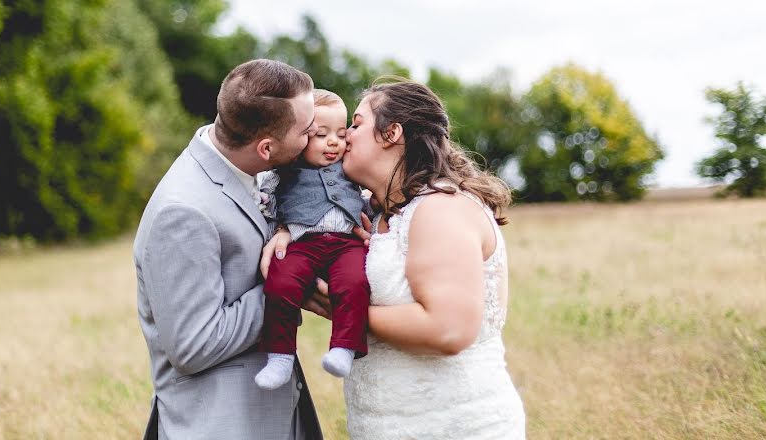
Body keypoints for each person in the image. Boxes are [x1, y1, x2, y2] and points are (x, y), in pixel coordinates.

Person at [132, 59, 325, 440]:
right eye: (306, 130)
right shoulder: (182, 211)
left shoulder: (248, 168)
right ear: (266, 147)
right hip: (223, 425)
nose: (315, 134)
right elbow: (193, 345)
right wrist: (288, 286)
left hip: (268, 414)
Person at [340, 78, 526, 439]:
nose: (345, 134)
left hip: (454, 426)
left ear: (391, 133)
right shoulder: (376, 217)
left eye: (357, 123)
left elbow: (448, 329)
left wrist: (341, 310)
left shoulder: (441, 209)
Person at [254, 89, 371, 390]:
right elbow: (265, 201)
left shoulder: (351, 168)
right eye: (321, 134)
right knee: (280, 284)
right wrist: (279, 227)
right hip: (302, 243)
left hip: (347, 244)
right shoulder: (285, 171)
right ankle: (280, 357)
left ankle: (344, 348)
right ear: (302, 136)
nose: (334, 142)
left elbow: (370, 197)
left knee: (354, 282)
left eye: (342, 134)